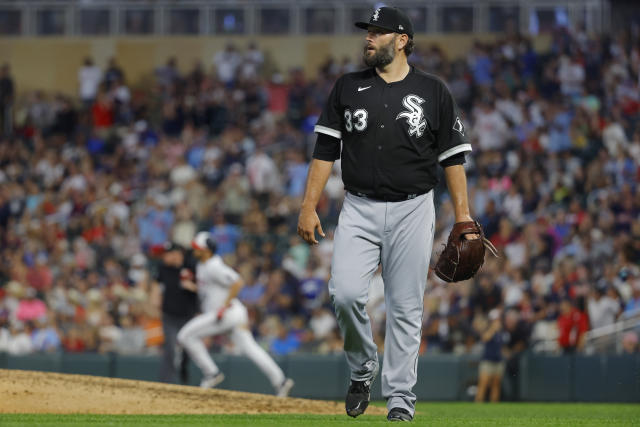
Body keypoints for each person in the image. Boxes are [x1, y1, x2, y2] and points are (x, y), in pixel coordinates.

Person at [297, 6, 475, 421]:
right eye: (367, 32)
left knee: (405, 307)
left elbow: (453, 159)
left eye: (377, 32)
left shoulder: (433, 91)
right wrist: (308, 206)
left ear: (401, 40)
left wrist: (463, 216)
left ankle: (399, 400)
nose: (368, 38)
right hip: (358, 206)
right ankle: (362, 368)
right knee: (344, 294)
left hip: (414, 207)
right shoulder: (347, 86)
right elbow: (325, 151)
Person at [177, 232, 294, 396]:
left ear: (205, 250)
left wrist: (223, 306)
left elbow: (237, 281)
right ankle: (280, 381)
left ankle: (211, 373)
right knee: (250, 348)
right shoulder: (202, 265)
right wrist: (192, 286)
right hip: (231, 313)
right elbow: (210, 291)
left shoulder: (213, 265)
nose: (194, 250)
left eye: (197, 247)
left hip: (227, 313)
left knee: (185, 336)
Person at [157, 243, 199, 384]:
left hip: (187, 317)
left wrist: (192, 287)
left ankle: (183, 378)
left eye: (167, 253)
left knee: (187, 351)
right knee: (170, 349)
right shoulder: (163, 269)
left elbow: (204, 289)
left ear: (177, 254)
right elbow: (156, 287)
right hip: (169, 316)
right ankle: (166, 383)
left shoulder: (192, 268)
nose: (164, 256)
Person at [475, 309, 505, 403]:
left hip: (498, 360)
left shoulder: (501, 332)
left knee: (496, 384)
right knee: (483, 383)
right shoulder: (488, 329)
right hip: (487, 360)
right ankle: (478, 404)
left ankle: (494, 405)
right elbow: (485, 338)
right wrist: (493, 329)